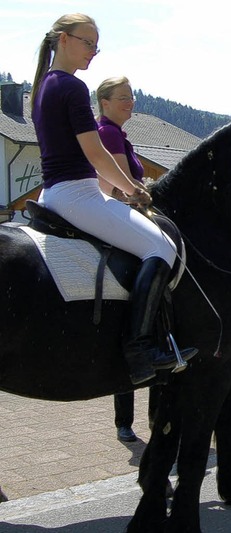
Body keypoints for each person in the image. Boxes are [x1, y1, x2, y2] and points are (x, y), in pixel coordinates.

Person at [31, 14, 196, 385]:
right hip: (77, 192)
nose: (93, 51)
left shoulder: (44, 85)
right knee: (161, 247)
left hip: (56, 192)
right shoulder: (71, 87)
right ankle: (140, 349)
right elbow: (96, 154)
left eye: (96, 45)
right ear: (63, 39)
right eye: (87, 42)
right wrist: (133, 189)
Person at [95, 76, 148, 442]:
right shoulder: (109, 134)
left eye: (132, 96)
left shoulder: (119, 134)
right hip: (114, 212)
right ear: (104, 102)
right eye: (123, 97)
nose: (130, 102)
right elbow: (123, 184)